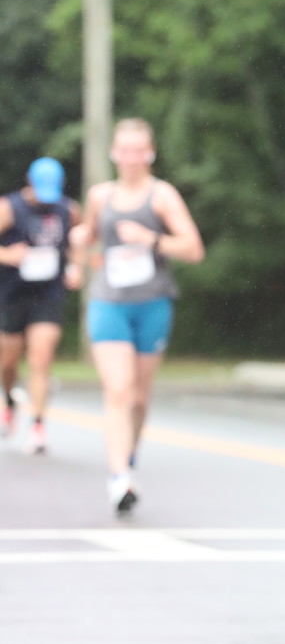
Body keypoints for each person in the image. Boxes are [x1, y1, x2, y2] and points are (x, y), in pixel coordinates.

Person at [73, 118, 205, 514]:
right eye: (124, 151)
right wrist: (79, 248)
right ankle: (120, 478)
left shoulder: (161, 196)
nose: (130, 158)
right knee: (119, 390)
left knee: (139, 398)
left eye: (138, 151)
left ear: (149, 154)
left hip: (152, 304)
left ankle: (128, 458)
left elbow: (193, 249)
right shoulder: (100, 196)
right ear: (114, 153)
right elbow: (89, 236)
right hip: (108, 303)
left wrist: (151, 239)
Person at [0, 157, 82, 453]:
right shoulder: (9, 208)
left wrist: (76, 266)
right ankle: (9, 399)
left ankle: (37, 426)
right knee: (8, 361)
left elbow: (78, 241)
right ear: (29, 182)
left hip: (48, 294)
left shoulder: (68, 209)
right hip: (12, 294)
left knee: (41, 358)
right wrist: (7, 255)